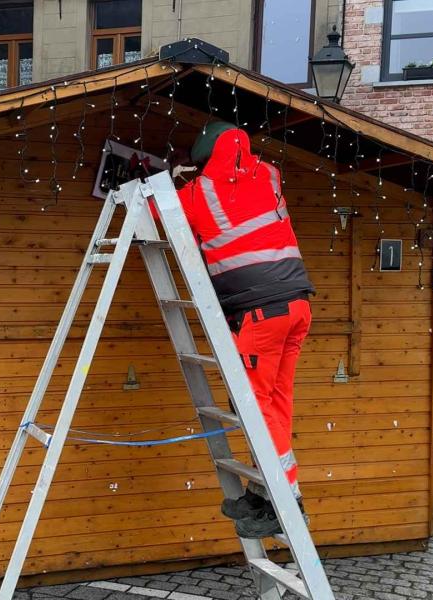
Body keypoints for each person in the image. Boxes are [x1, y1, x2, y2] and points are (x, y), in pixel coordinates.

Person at [170, 121, 315, 538]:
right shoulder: (269, 175)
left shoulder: (199, 193)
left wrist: (171, 180)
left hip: (260, 313)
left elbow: (161, 210)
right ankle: (263, 490)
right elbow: (240, 180)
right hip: (297, 305)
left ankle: (286, 503)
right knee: (276, 402)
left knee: (253, 406)